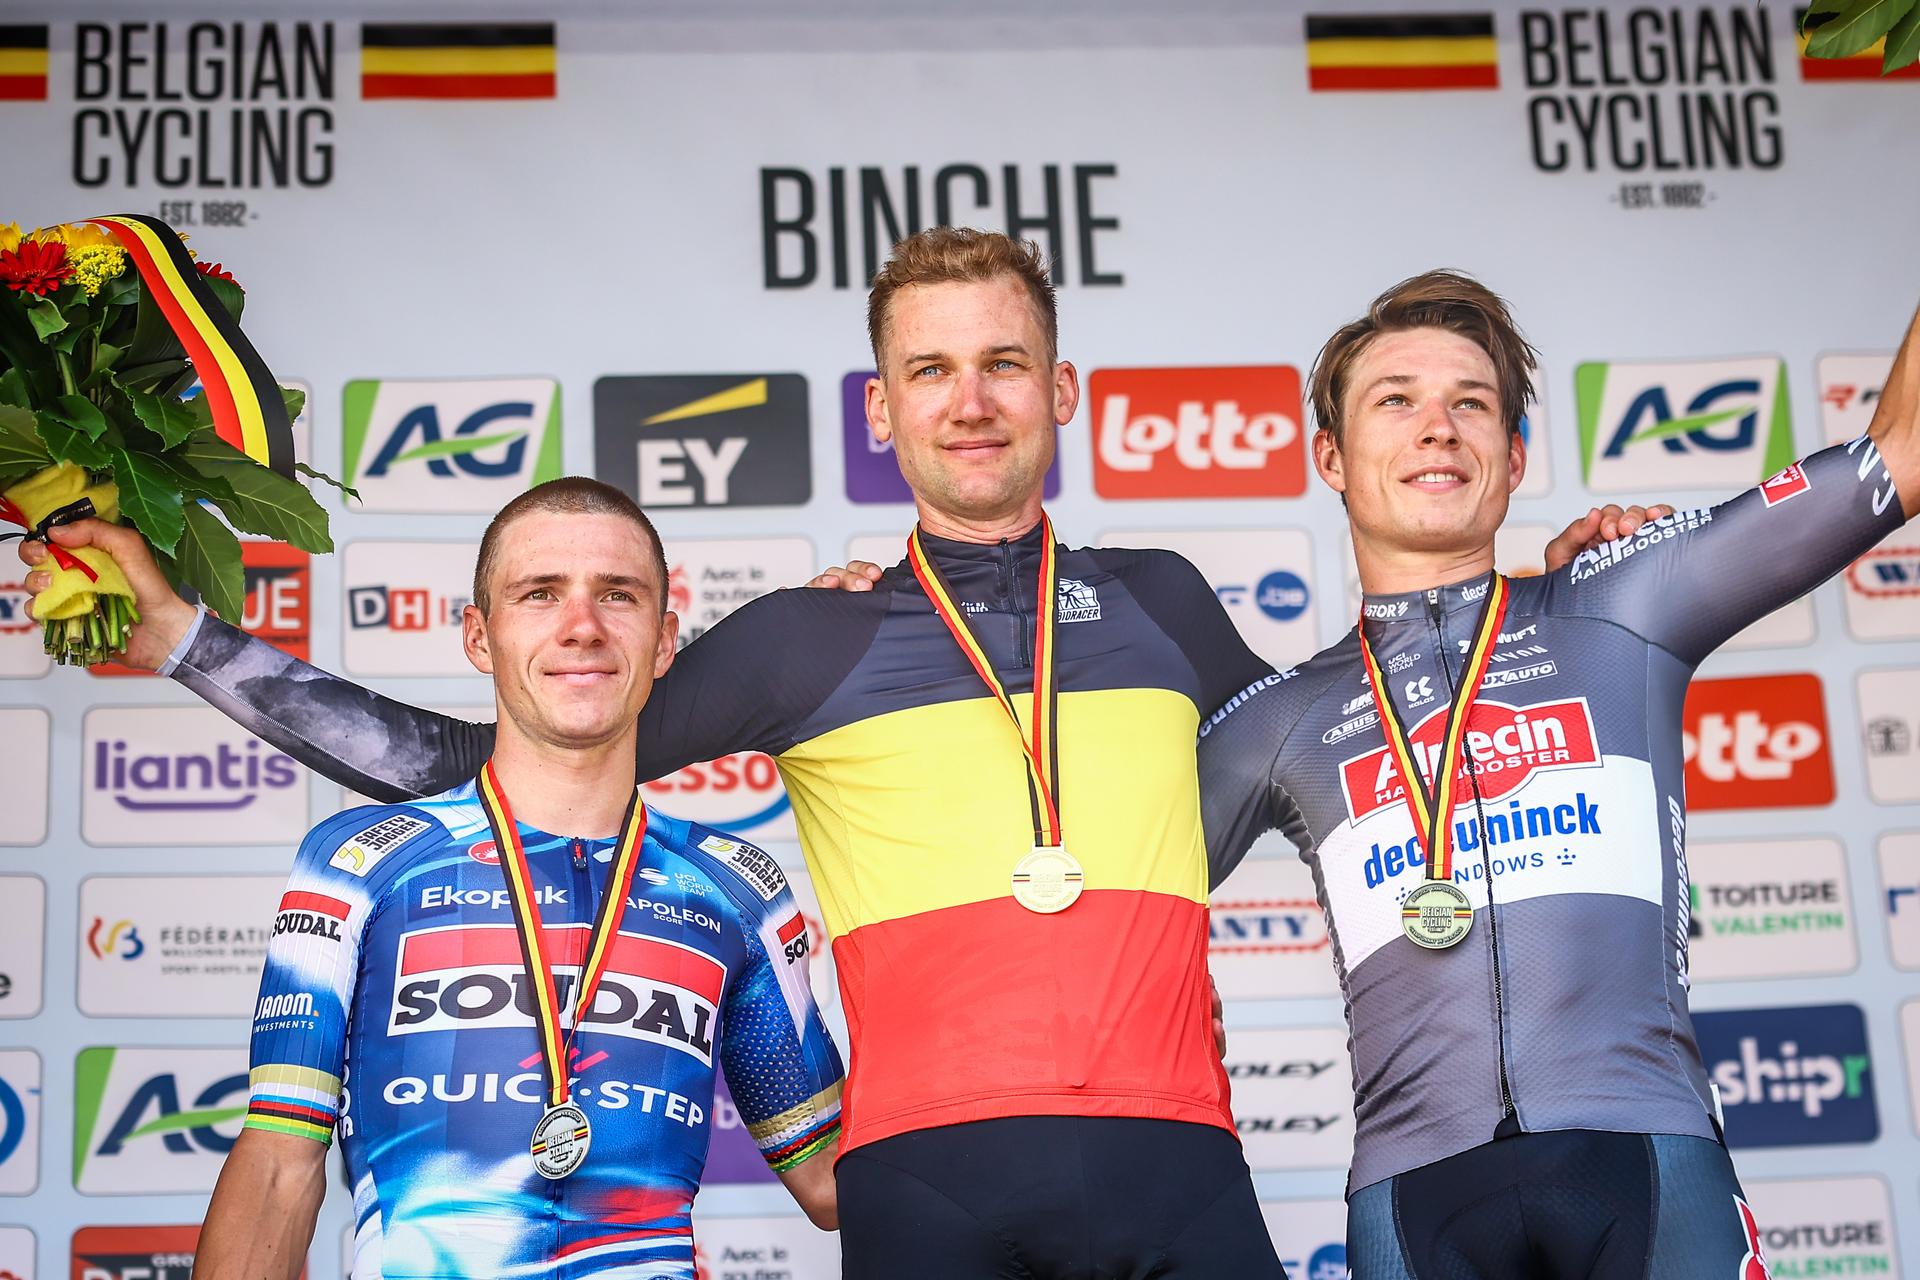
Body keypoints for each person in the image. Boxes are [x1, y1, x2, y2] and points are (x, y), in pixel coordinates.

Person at [30, 230, 1650, 1279]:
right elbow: (503, 759)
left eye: (1003, 362)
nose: (970, 399)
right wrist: (183, 635)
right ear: (882, 410)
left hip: (1181, 1172)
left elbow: (1367, 741)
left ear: (1062, 391)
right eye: (932, 370)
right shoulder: (810, 636)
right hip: (922, 1192)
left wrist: (1534, 603)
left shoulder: (1162, 605)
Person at [1196, 270, 1917, 1278]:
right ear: (1332, 456)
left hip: (1648, 1160)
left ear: (1516, 453)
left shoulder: (1623, 601)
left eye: (1471, 403)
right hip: (1415, 1195)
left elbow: (1902, 452)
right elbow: (1092, 901)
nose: (1437, 427)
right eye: (1395, 399)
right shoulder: (1284, 718)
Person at [191, 478, 844, 1280]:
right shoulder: (356, 864)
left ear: (666, 639)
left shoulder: (735, 886)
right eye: (540, 594)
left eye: (618, 595)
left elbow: (832, 1181)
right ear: (478, 635)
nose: (583, 628)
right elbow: (280, 1166)